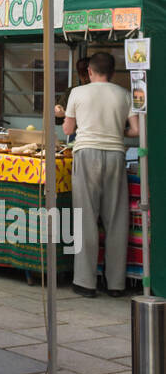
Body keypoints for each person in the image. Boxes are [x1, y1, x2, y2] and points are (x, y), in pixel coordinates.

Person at [62, 50, 138, 297]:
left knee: (86, 216)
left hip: (85, 153)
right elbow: (135, 130)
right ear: (113, 73)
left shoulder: (77, 92)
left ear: (90, 71)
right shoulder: (124, 94)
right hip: (116, 154)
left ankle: (85, 282)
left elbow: (68, 128)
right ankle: (116, 284)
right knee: (116, 219)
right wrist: (118, 131)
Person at [55, 58, 90, 122]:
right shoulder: (72, 92)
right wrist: (58, 110)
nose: (86, 78)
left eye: (87, 74)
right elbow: (58, 118)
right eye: (82, 74)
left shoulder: (103, 93)